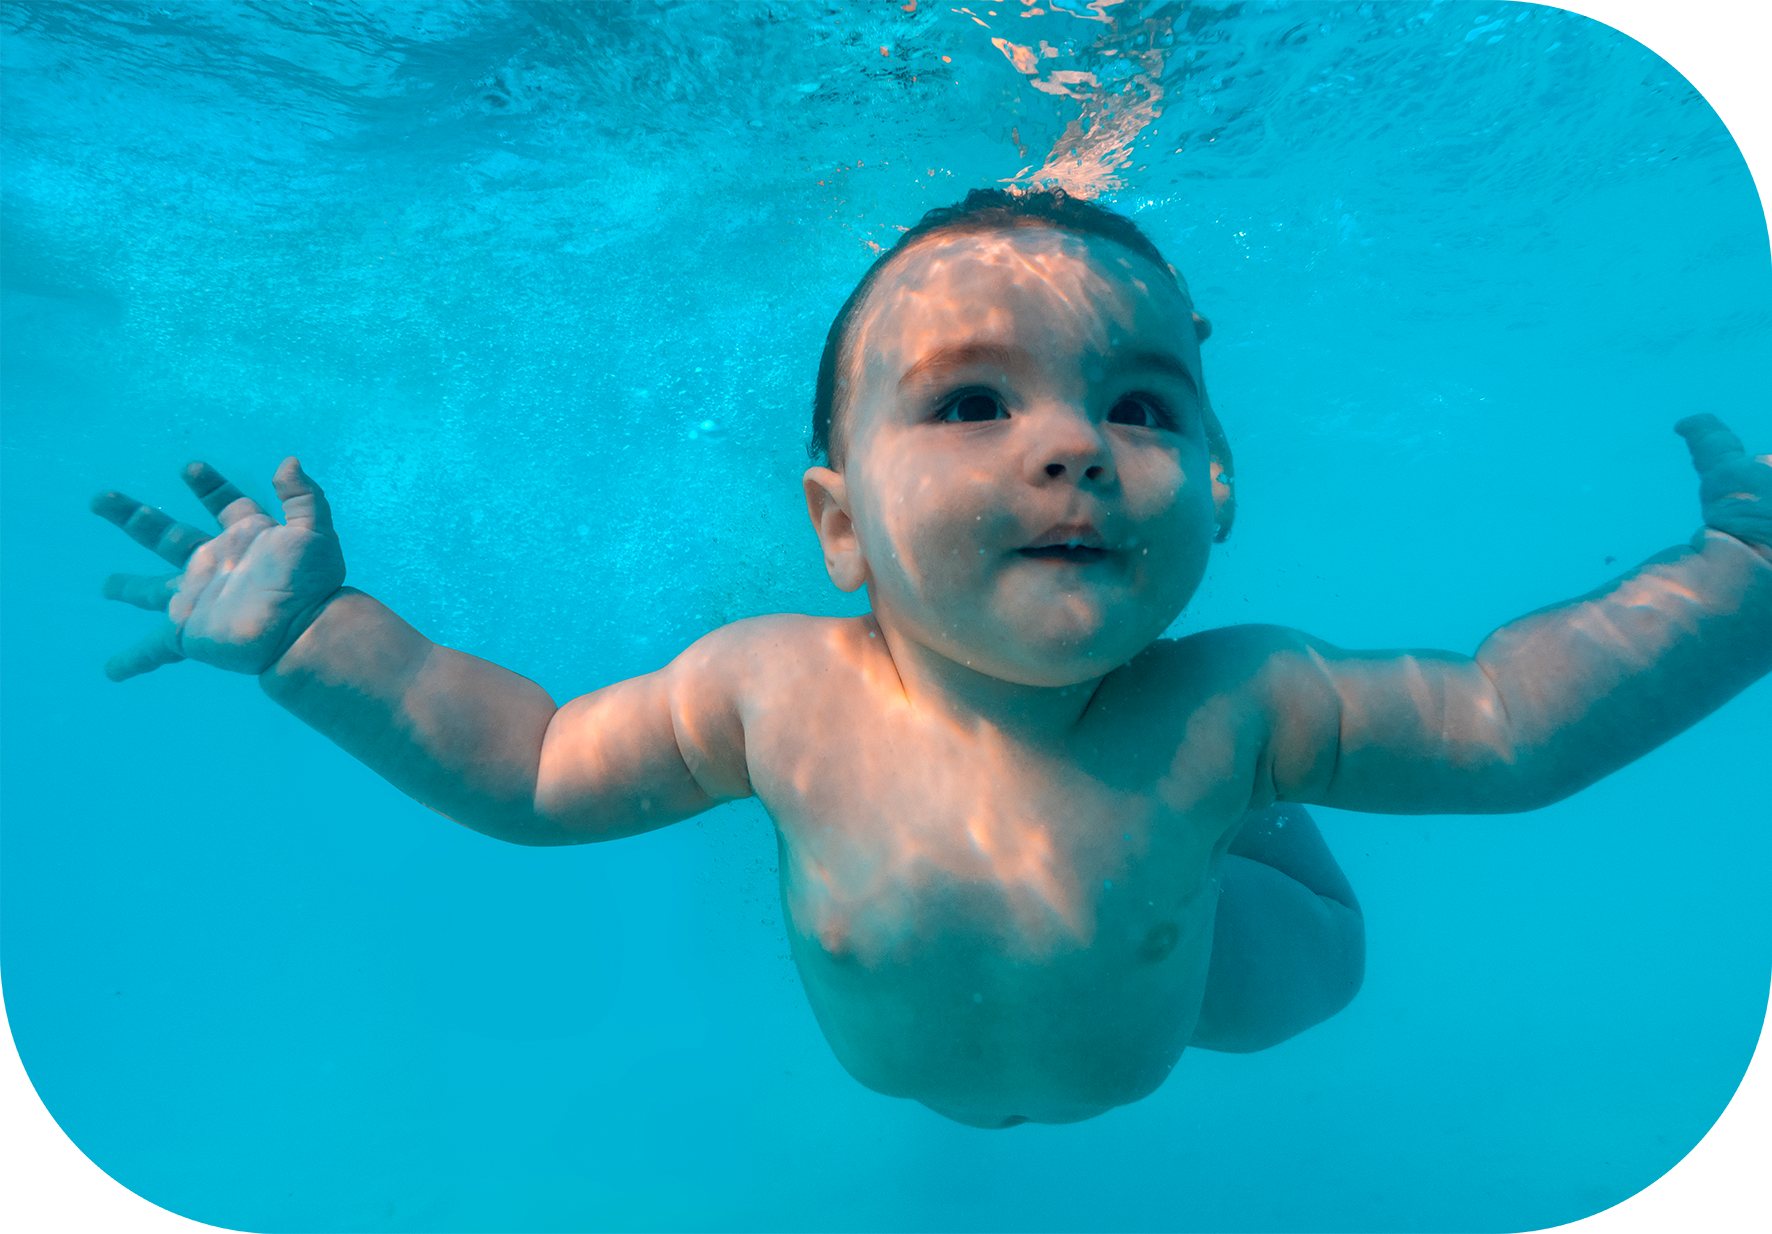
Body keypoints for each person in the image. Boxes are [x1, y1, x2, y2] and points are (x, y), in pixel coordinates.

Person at [90, 189, 1772, 1129]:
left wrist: (1741, 583)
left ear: (1223, 483)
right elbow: (529, 763)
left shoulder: (1240, 691)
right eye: (974, 402)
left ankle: (1259, 830)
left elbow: (1509, 722)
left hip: (1214, 995)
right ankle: (1224, 827)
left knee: (1311, 954)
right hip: (963, 1022)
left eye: (1141, 405)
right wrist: (320, 639)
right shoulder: (770, 688)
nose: (1076, 449)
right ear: (840, 523)